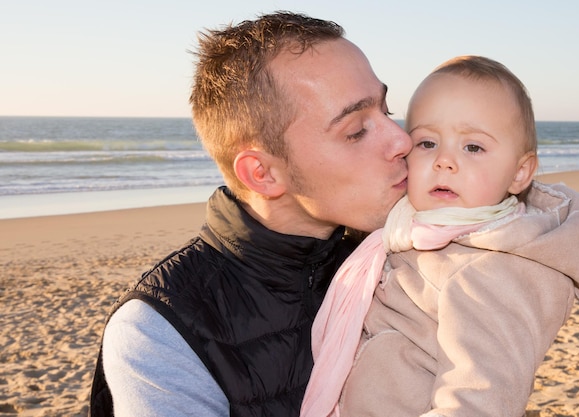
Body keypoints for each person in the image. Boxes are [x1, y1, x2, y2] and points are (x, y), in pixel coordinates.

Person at [88, 11, 413, 417]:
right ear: (262, 173)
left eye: (386, 109)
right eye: (355, 130)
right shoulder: (161, 331)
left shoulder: (407, 254)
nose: (401, 139)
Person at [301, 55, 579, 417]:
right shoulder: (409, 230)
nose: (444, 161)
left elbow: (479, 403)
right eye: (427, 143)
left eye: (473, 147)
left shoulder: (488, 274)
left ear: (520, 173)